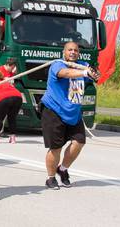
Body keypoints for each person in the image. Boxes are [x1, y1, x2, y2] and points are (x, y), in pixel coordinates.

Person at [41, 42, 100, 189]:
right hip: (54, 110)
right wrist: (84, 73)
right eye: (70, 50)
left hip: (73, 112)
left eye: (75, 50)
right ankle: (50, 178)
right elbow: (66, 74)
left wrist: (94, 74)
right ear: (64, 52)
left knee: (79, 142)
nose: (73, 52)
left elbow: (92, 76)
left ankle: (62, 169)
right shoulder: (57, 65)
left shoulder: (82, 65)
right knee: (56, 148)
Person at [0, 71, 23, 143]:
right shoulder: (7, 83)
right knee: (12, 118)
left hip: (4, 98)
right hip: (18, 97)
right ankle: (12, 138)